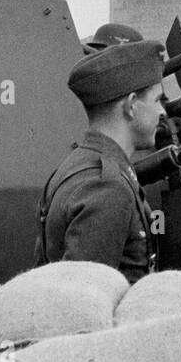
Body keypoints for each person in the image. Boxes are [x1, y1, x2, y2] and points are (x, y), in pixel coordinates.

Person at [34, 38, 166, 283]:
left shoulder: (77, 167)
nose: (163, 111)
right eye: (158, 100)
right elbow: (84, 301)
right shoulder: (107, 187)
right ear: (131, 106)